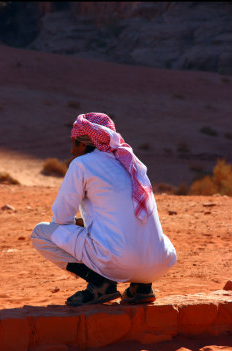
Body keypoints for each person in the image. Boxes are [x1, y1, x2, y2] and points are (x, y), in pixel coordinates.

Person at [31, 112, 177, 306]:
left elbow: (61, 218)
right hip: (160, 262)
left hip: (117, 264)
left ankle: (100, 284)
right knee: (139, 232)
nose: (72, 150)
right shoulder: (132, 161)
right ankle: (142, 288)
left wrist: (79, 224)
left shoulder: (82, 164)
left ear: (83, 144)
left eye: (74, 143)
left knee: (41, 233)